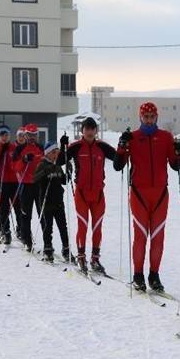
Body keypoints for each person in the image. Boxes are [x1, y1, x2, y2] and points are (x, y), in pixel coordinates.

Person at [118, 102, 180, 292]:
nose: (148, 120)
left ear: (156, 117)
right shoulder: (133, 137)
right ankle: (138, 275)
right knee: (140, 237)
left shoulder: (165, 137)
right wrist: (122, 145)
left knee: (157, 238)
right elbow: (118, 165)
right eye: (145, 117)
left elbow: (175, 166)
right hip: (139, 194)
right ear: (140, 117)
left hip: (161, 195)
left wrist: (178, 153)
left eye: (151, 117)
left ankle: (154, 275)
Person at [62, 117, 126, 273]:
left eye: (92, 129)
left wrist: (122, 146)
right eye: (87, 129)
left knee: (97, 228)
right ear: (82, 130)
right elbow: (59, 162)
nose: (89, 132)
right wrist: (62, 146)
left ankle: (95, 259)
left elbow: (118, 164)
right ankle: (81, 257)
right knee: (82, 226)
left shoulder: (102, 147)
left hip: (98, 195)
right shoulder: (76, 147)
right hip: (82, 194)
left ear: (96, 131)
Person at [34, 140, 70, 262]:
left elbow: (64, 181)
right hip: (46, 201)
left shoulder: (58, 166)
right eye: (53, 152)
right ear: (48, 153)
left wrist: (68, 172)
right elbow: (35, 179)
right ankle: (48, 249)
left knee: (63, 227)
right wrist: (45, 172)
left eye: (57, 152)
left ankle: (66, 249)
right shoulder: (42, 164)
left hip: (58, 201)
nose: (56, 155)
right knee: (48, 227)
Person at [13, 123, 44, 251]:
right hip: (25, 185)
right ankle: (27, 240)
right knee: (26, 214)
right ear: (25, 135)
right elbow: (15, 167)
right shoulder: (19, 149)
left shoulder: (41, 147)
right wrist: (24, 160)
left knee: (43, 214)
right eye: (29, 135)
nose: (32, 137)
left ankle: (47, 242)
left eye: (34, 135)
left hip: (39, 184)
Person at [0, 125, 18, 245]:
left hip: (14, 181)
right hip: (1, 182)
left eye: (6, 135)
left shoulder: (14, 147)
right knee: (4, 209)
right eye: (2, 135)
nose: (4, 137)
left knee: (17, 206)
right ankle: (6, 231)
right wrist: (1, 153)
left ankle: (21, 230)